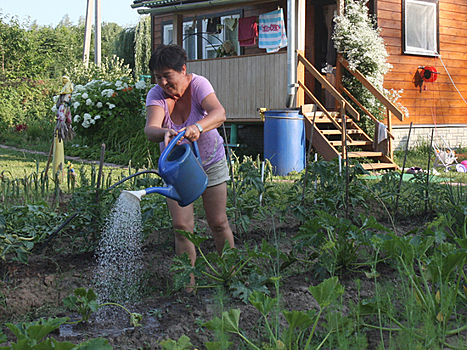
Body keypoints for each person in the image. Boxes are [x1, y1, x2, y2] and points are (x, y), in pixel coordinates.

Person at [144, 44, 235, 292]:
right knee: (182, 227)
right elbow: (150, 129)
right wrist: (164, 131)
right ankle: (187, 289)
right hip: (177, 169)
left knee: (218, 222)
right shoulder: (156, 95)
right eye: (157, 77)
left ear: (183, 70)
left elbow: (220, 113)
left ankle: (231, 278)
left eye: (167, 75)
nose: (162, 82)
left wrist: (199, 127)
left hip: (210, 161)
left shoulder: (198, 85)